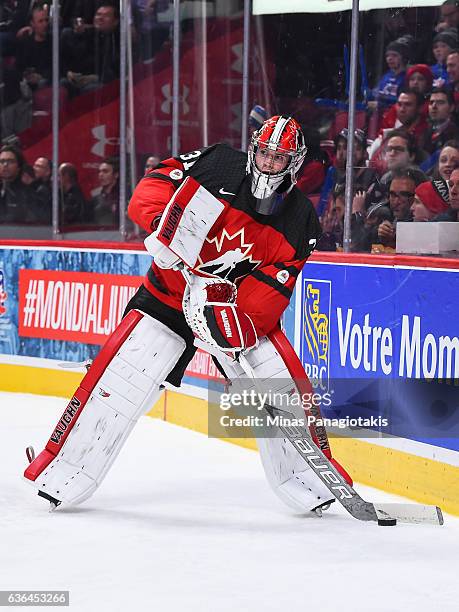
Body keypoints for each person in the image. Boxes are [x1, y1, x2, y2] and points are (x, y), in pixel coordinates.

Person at [24, 115, 352, 513]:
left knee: (279, 378)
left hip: (231, 308)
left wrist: (235, 324)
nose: (267, 164)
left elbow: (272, 290)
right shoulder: (217, 163)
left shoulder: (300, 220)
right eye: (264, 154)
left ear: (294, 162)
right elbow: (153, 187)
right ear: (253, 150)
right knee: (123, 373)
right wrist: (165, 229)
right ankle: (63, 471)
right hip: (167, 296)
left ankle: (309, 481)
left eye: (277, 158)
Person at [0, 144, 38, 223]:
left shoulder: (28, 193)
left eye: (10, 161)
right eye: (2, 161)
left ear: (19, 167)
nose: (5, 165)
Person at [88, 157, 119, 227]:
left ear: (116, 174)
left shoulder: (123, 198)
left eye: (105, 171)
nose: (100, 175)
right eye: (99, 171)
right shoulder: (95, 200)